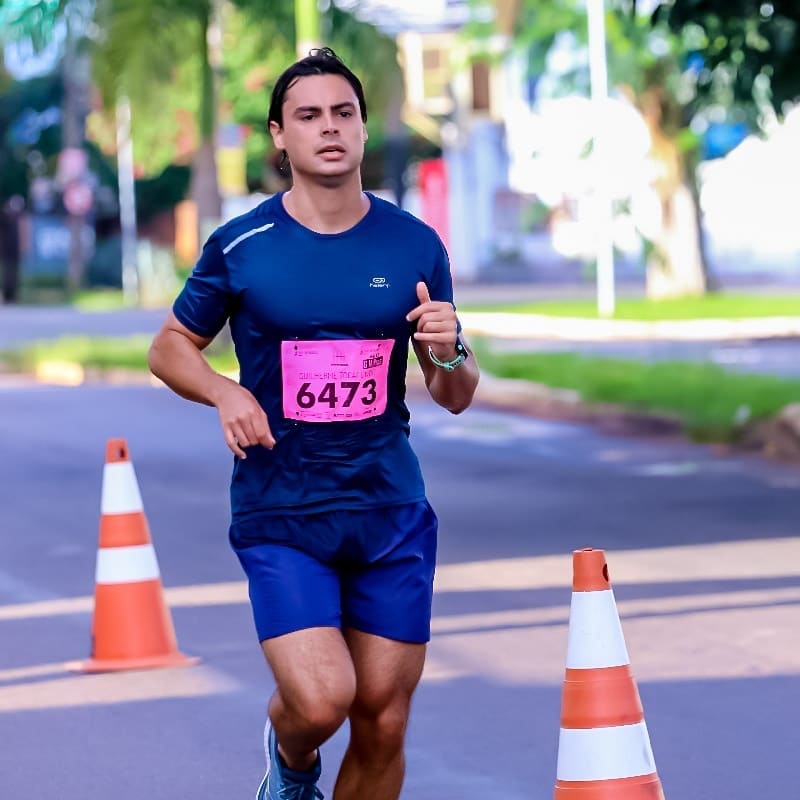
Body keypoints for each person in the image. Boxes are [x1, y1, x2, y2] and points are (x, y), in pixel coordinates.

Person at [148, 46, 479, 800]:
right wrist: (226, 393)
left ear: (362, 130)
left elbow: (453, 391)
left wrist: (450, 348)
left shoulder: (413, 245)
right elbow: (169, 346)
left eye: (343, 113)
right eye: (308, 116)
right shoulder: (242, 246)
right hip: (282, 508)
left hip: (388, 507)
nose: (329, 128)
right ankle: (292, 762)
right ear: (279, 136)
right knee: (323, 699)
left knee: (383, 716)